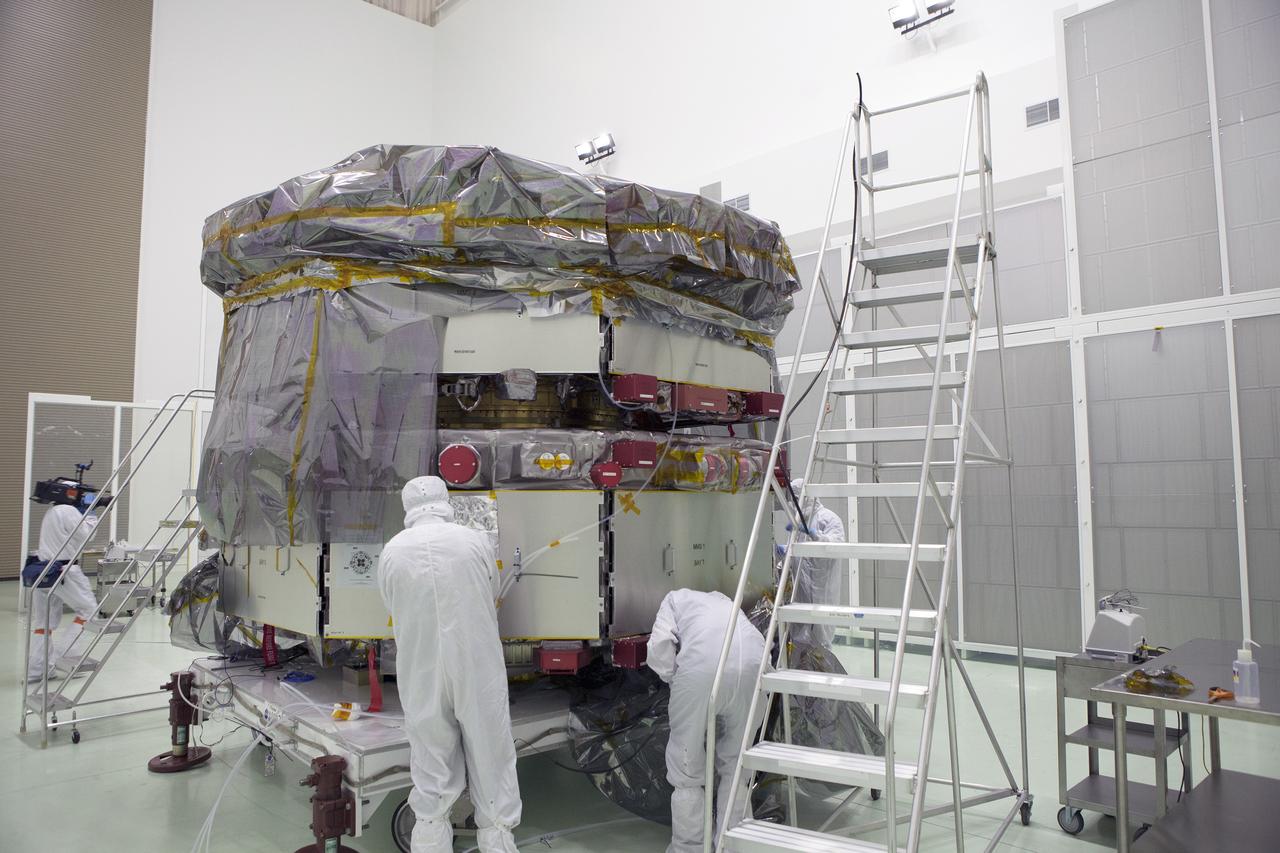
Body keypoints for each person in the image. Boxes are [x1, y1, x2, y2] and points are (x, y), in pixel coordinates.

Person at [377, 476, 521, 853]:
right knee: (491, 752)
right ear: (445, 501)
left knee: (430, 756)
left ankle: (430, 838)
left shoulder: (392, 550)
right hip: (475, 660)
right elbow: (490, 591)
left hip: (421, 665)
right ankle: (498, 840)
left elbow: (391, 604)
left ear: (408, 506)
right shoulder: (473, 541)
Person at [647, 589, 767, 853]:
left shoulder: (674, 598)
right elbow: (760, 647)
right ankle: (733, 845)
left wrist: (673, 679)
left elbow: (659, 650)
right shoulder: (730, 604)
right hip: (753, 672)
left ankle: (689, 848)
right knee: (736, 766)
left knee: (686, 768)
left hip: (700, 674)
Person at [25, 504, 102, 683]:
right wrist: (91, 514)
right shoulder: (69, 511)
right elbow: (87, 535)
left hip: (43, 570)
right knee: (89, 611)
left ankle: (38, 669)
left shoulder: (52, 511)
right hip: (64, 570)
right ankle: (66, 656)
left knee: (43, 623)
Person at [783, 478, 846, 648]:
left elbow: (836, 546)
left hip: (822, 589)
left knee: (821, 639)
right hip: (800, 590)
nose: (793, 504)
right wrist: (783, 551)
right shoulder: (797, 521)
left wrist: (816, 536)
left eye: (796, 499)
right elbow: (795, 552)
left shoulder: (829, 518)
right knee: (799, 639)